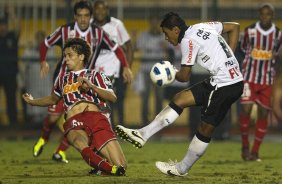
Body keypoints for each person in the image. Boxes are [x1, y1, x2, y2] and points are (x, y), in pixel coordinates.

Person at [116, 12, 243, 177]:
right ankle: (142, 134)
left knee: (205, 128)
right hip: (224, 80)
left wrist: (170, 73)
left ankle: (182, 169)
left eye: (166, 33)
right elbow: (234, 27)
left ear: (175, 30)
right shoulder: (203, 26)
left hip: (225, 85)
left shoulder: (187, 40)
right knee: (180, 99)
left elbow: (184, 76)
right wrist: (229, 57)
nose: (166, 38)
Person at [33, 0, 133, 163]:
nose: (83, 19)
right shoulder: (65, 30)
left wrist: (126, 67)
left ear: (90, 17)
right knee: (53, 118)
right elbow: (45, 44)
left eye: (86, 15)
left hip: (85, 83)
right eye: (80, 16)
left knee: (84, 119)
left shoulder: (98, 33)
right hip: (64, 82)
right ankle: (43, 139)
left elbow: (116, 49)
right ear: (75, 16)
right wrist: (43, 61)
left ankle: (65, 151)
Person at [23, 38, 126, 176]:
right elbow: (53, 99)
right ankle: (109, 169)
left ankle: (103, 168)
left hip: (96, 118)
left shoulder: (96, 75)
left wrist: (91, 86)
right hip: (74, 120)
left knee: (122, 165)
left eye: (69, 55)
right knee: (78, 141)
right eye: (64, 55)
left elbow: (112, 97)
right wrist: (32, 101)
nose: (66, 59)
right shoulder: (62, 78)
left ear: (81, 56)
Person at [239, 3, 282, 162]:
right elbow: (243, 49)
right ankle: (244, 146)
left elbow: (277, 55)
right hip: (249, 78)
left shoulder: (278, 34)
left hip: (267, 80)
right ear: (259, 15)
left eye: (268, 15)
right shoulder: (249, 31)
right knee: (245, 110)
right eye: (262, 14)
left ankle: (255, 152)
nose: (265, 17)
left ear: (272, 16)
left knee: (263, 113)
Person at [92, 0, 133, 125]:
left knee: (118, 103)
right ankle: (108, 132)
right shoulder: (89, 25)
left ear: (107, 10)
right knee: (101, 105)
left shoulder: (116, 24)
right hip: (96, 73)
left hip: (117, 71)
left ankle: (121, 130)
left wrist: (128, 68)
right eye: (97, 9)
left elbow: (129, 46)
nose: (100, 12)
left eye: (102, 9)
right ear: (94, 10)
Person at [136, 15, 170, 125]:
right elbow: (137, 48)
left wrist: (165, 47)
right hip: (146, 69)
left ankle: (158, 122)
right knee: (145, 97)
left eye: (156, 22)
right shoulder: (143, 35)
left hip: (159, 70)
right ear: (150, 23)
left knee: (159, 97)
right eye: (153, 22)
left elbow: (170, 51)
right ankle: (145, 122)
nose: (154, 24)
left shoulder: (164, 36)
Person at [0, 16, 19, 127]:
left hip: (11, 74)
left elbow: (18, 28)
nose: (2, 27)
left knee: (11, 99)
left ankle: (13, 124)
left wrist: (12, 14)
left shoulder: (12, 36)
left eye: (4, 25)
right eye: (1, 25)